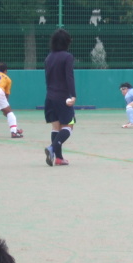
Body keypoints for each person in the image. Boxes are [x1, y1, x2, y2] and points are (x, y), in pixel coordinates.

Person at [44, 29, 76, 166]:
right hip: (63, 97)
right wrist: (73, 95)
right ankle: (52, 148)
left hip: (49, 97)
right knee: (69, 126)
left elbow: (47, 78)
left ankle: (58, 158)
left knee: (56, 128)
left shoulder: (48, 57)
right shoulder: (67, 57)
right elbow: (69, 76)